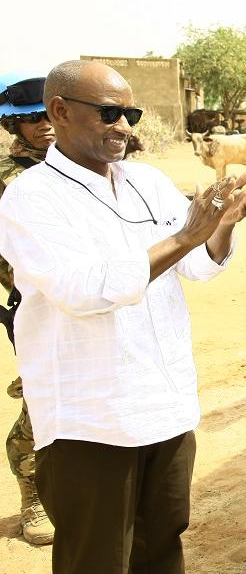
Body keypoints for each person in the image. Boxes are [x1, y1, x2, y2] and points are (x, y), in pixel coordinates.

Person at [0, 60, 246, 573]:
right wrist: (186, 235)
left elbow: (196, 266)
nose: (124, 126)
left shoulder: (146, 180)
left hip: (164, 406)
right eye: (109, 113)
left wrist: (222, 226)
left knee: (160, 550)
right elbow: (84, 290)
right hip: (91, 421)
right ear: (60, 112)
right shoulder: (30, 197)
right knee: (96, 560)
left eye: (131, 114)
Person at [0, 71, 56, 546]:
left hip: (95, 301)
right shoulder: (7, 177)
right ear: (12, 125)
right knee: (40, 401)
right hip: (37, 307)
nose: (44, 125)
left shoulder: (83, 165)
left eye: (50, 113)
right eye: (32, 118)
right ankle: (32, 496)